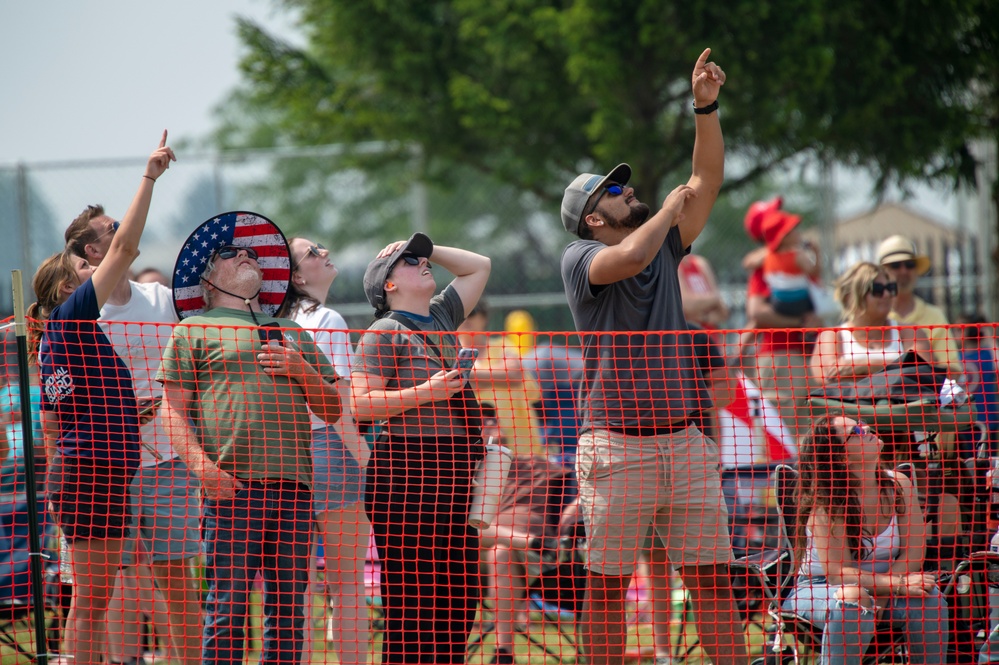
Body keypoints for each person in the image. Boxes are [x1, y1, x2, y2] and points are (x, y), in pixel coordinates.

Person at [558, 49, 745, 665]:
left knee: (713, 583)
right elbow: (630, 258)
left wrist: (705, 107)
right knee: (608, 591)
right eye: (615, 190)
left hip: (685, 442)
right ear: (594, 217)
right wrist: (668, 207)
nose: (628, 188)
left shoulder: (665, 242)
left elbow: (708, 179)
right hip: (616, 446)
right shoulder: (581, 259)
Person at [157, 211, 342, 665]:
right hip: (231, 488)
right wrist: (204, 471)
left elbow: (334, 408)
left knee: (287, 615)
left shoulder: (293, 331)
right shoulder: (191, 329)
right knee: (227, 611)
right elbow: (171, 411)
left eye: (252, 253)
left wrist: (300, 370)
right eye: (230, 252)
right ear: (207, 279)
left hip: (295, 490)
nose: (245, 255)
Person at [27, 132, 175, 665]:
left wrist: (127, 414)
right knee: (92, 602)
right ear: (68, 290)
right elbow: (127, 248)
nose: (98, 270)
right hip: (91, 472)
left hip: (95, 467)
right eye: (86, 272)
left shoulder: (65, 339)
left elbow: (69, 416)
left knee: (96, 598)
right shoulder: (71, 318)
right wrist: (149, 177)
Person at [64, 203, 202, 665]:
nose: (124, 232)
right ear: (94, 249)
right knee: (111, 584)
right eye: (113, 229)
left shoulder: (162, 299)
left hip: (169, 462)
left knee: (178, 581)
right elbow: (61, 408)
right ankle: (126, 660)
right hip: (106, 470)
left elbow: (194, 369)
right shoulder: (81, 317)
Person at [350, 232, 490, 663]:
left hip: (454, 465)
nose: (422, 263)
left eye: (420, 257)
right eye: (409, 262)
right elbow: (359, 404)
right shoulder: (383, 331)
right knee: (413, 600)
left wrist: (425, 249)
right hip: (406, 468)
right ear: (388, 286)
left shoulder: (442, 315)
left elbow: (478, 265)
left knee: (460, 592)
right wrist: (426, 392)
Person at [784, 415, 948, 665]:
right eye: (857, 431)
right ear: (840, 456)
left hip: (890, 582)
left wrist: (886, 590)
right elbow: (838, 573)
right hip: (819, 587)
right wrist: (894, 586)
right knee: (853, 598)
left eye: (862, 425)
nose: (868, 428)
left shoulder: (899, 484)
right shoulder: (828, 501)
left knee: (930, 596)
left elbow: (914, 552)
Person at [275, 236, 370, 665]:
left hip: (279, 455)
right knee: (347, 583)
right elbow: (340, 408)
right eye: (313, 252)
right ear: (296, 276)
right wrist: (367, 460)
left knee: (296, 587)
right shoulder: (326, 319)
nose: (325, 252)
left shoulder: (270, 320)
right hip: (329, 450)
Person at [478, 453, 575, 664]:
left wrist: (567, 522)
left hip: (532, 562)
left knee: (500, 552)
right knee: (477, 531)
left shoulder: (540, 463)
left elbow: (585, 490)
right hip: (473, 559)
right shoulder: (468, 464)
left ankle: (503, 653)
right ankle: (531, 541)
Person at [809, 261, 932, 383]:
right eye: (877, 289)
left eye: (890, 288)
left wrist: (864, 366)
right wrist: (897, 369)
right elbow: (829, 376)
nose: (887, 294)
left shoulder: (908, 332)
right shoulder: (833, 335)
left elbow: (923, 371)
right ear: (850, 297)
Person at [458, 300, 547, 458]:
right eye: (459, 315)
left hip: (521, 446)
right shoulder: (449, 353)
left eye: (471, 313)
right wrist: (495, 376)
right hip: (475, 447)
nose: (465, 320)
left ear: (483, 318)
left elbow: (514, 374)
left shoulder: (502, 345)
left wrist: (466, 374)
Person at [877, 234, 962, 373]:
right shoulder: (873, 315)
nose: (903, 271)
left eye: (910, 264)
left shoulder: (934, 316)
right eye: (895, 265)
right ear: (882, 273)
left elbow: (953, 370)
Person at [760, 209, 820, 317]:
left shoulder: (768, 257)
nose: (798, 233)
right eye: (793, 230)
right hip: (799, 303)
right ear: (783, 237)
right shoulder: (796, 256)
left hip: (777, 303)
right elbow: (815, 272)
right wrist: (816, 252)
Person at [678, 253, 729, 330]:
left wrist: (702, 317)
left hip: (710, 335)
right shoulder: (675, 266)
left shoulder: (699, 263)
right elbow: (686, 305)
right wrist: (713, 300)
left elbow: (722, 312)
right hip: (687, 334)